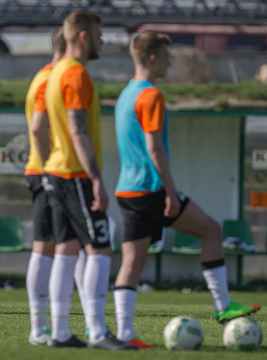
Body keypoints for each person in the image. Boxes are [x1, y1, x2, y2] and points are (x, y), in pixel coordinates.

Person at [113, 30, 261, 349]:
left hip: (127, 192)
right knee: (211, 231)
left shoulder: (126, 94)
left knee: (131, 265)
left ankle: (124, 334)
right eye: (167, 55)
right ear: (153, 58)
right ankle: (223, 306)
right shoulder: (151, 95)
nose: (170, 61)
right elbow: (154, 149)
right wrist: (170, 191)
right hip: (152, 189)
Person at [42, 11, 135, 350]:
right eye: (99, 34)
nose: (103, 40)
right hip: (73, 174)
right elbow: (77, 129)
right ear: (83, 36)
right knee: (100, 248)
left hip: (56, 171)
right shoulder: (76, 74)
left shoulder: (56, 73)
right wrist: (96, 177)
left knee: (66, 251)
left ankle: (60, 333)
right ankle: (97, 332)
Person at [24, 28, 66, 346]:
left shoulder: (44, 75)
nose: (101, 42)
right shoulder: (53, 77)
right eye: (96, 36)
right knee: (46, 246)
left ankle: (46, 325)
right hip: (48, 171)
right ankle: (39, 327)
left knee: (51, 246)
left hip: (45, 170)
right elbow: (38, 127)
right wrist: (51, 163)